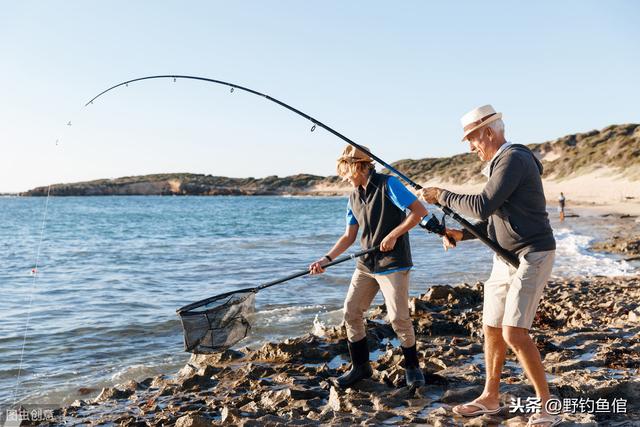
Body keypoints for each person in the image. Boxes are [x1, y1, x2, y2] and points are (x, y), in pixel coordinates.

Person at [419, 105, 559, 426]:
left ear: (489, 132)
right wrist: (460, 234)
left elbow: (482, 206)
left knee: (514, 332)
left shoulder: (514, 159)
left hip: (532, 255)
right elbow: (493, 224)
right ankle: (490, 398)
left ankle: (547, 404)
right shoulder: (498, 166)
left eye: (472, 139)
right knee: (492, 327)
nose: (470, 146)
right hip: (504, 258)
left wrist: (441, 195)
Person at [309, 144, 428, 388]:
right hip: (366, 264)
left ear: (360, 166)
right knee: (351, 310)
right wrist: (326, 260)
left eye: (347, 171)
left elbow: (418, 212)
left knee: (398, 318)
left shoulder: (388, 184)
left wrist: (395, 234)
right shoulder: (353, 197)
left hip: (394, 264)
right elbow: (348, 236)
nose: (345, 177)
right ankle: (361, 367)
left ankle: (413, 368)